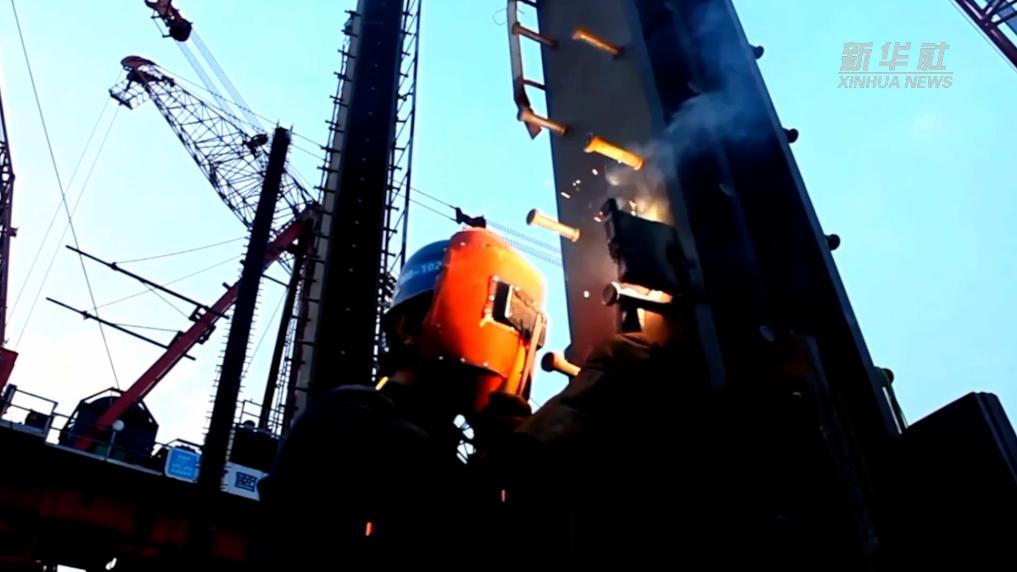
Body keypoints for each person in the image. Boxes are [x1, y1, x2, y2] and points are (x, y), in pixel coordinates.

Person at [255, 227, 547, 569]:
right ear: (407, 328)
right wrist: (519, 456)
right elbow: (444, 511)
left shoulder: (444, 444)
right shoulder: (349, 419)